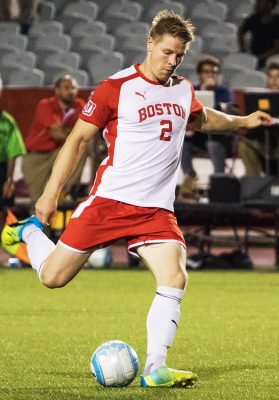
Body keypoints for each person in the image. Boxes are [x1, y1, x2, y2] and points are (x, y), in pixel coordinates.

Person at [1, 10, 273, 388]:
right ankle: (31, 233)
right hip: (110, 202)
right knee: (53, 278)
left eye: (179, 55)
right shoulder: (116, 87)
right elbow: (78, 140)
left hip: (156, 210)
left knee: (175, 276)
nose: (172, 61)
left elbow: (201, 118)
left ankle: (154, 369)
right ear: (150, 43)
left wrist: (243, 122)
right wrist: (49, 194)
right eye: (167, 52)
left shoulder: (182, 88)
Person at [22, 75, 86, 204]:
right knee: (39, 204)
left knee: (80, 146)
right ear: (57, 90)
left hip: (57, 154)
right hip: (36, 158)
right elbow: (56, 134)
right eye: (66, 88)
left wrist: (68, 132)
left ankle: (66, 189)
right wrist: (72, 132)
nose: (71, 91)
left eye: (74, 87)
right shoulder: (46, 104)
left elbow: (84, 133)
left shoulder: (79, 105)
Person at [180, 55, 233, 196]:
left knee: (213, 145)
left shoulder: (224, 92)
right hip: (199, 136)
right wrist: (202, 92)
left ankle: (219, 182)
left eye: (214, 72)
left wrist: (209, 94)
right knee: (182, 145)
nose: (211, 75)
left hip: (219, 137)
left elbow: (222, 114)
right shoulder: (193, 91)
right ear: (200, 74)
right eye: (207, 72)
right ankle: (189, 178)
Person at [238, 61, 279, 176]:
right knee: (244, 145)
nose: (274, 80)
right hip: (262, 144)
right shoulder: (256, 100)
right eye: (271, 77)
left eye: (278, 76)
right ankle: (254, 185)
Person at [0, 74, 26, 208]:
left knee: (4, 206)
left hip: (1, 170)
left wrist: (9, 180)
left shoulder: (8, 122)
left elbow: (12, 152)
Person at [238, 0, 279, 68]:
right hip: (254, 56)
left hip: (271, 59)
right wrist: (243, 49)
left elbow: (277, 48)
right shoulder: (253, 19)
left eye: (260, 2)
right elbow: (241, 31)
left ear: (269, 5)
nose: (256, 5)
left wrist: (260, 57)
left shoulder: (276, 22)